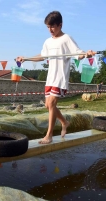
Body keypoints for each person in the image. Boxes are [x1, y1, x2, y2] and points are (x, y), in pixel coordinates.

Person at [16, 11, 95, 144]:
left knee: (52, 103)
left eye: (52, 26)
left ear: (60, 25)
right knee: (48, 105)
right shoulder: (47, 42)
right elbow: (42, 56)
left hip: (60, 77)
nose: (50, 30)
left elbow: (78, 53)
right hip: (50, 77)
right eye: (48, 27)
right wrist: (26, 58)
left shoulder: (66, 39)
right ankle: (65, 122)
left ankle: (49, 135)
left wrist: (87, 54)